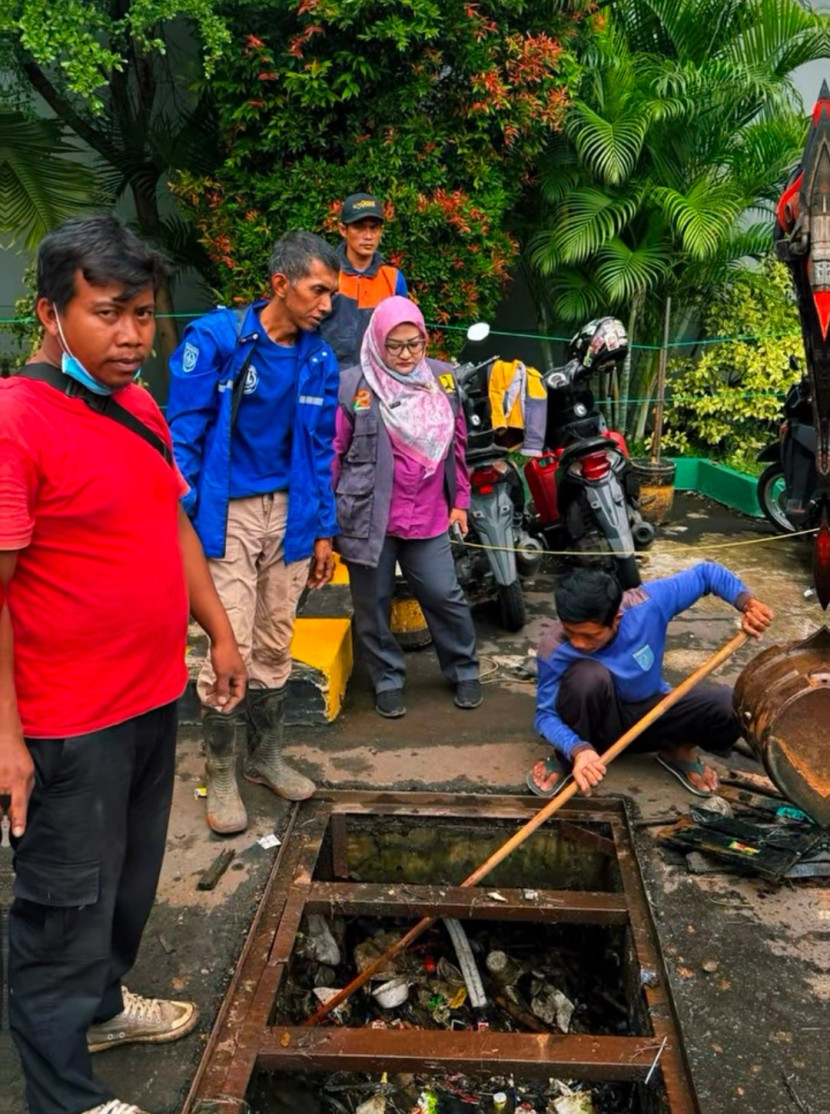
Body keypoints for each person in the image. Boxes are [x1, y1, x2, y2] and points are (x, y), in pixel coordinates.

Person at [0, 214, 246, 1114]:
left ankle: (101, 1007)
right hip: (65, 723)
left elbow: (170, 521)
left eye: (145, 313)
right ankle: (60, 1095)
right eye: (109, 314)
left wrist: (217, 629)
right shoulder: (15, 421)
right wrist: (8, 740)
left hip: (148, 697)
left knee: (130, 881)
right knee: (62, 911)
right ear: (51, 315)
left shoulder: (135, 404)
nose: (135, 335)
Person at [167, 231, 341, 835]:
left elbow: (321, 450)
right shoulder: (216, 340)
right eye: (318, 290)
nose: (326, 304)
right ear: (280, 284)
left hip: (291, 514)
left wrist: (324, 531)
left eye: (332, 294)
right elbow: (182, 435)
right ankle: (220, 770)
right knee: (228, 639)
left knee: (275, 636)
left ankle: (264, 757)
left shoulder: (317, 358)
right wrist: (180, 517)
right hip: (227, 514)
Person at [333, 295, 481, 717]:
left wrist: (461, 504)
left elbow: (458, 447)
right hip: (368, 517)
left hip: (429, 513)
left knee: (443, 593)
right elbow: (333, 451)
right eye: (394, 345)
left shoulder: (443, 380)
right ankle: (387, 678)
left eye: (414, 344)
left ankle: (464, 670)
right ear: (377, 341)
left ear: (425, 339)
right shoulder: (354, 385)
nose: (404, 355)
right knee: (372, 603)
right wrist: (325, 522)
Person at [528, 563, 774, 798]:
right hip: (596, 727)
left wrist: (748, 604)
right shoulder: (554, 647)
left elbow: (705, 574)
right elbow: (545, 716)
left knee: (731, 704)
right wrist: (576, 748)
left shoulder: (647, 605)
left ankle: (676, 751)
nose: (578, 644)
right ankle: (568, 759)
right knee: (587, 676)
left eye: (589, 636)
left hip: (651, 714)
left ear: (617, 618)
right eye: (571, 633)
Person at [318, 192, 408, 369]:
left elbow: (402, 334)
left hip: (378, 379)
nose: (368, 236)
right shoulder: (324, 273)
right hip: (328, 377)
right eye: (359, 227)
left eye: (374, 228)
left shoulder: (393, 278)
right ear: (343, 230)